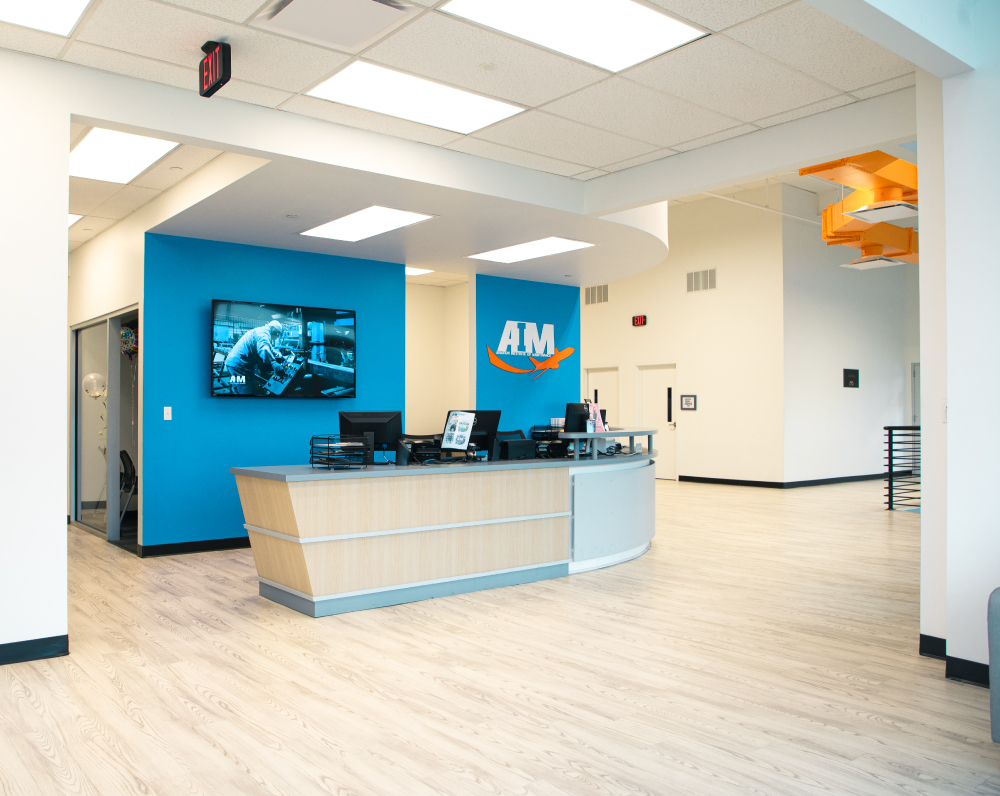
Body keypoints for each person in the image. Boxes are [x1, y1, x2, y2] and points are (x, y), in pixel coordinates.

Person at [224, 320, 286, 395]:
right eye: (277, 334)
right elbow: (264, 348)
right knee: (246, 392)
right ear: (272, 328)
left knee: (237, 389)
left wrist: (281, 356)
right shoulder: (264, 333)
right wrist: (273, 363)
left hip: (232, 365)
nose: (277, 336)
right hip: (239, 367)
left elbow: (270, 348)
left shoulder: (261, 331)